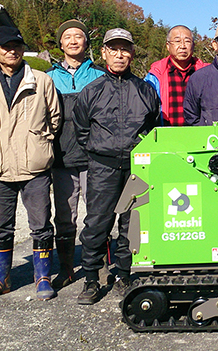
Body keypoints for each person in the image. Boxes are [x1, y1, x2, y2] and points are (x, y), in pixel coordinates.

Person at [73, 28, 159, 305]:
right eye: (113, 49)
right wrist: (102, 151)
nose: (119, 54)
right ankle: (90, 277)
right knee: (97, 222)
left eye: (124, 49)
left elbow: (155, 127)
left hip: (137, 168)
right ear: (103, 53)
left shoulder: (145, 90)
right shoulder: (92, 91)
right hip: (102, 166)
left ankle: (124, 274)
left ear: (132, 54)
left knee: (131, 223)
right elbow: (81, 130)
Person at [0, 26, 61, 301]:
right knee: (1, 226)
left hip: (34, 165)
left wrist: (40, 142)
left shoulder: (41, 80)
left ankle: (43, 276)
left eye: (17, 45)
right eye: (5, 46)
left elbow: (55, 118)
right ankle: (0, 277)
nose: (12, 50)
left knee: (41, 224)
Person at [47, 19, 104, 289]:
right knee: (64, 216)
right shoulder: (48, 77)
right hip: (62, 158)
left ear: (86, 42)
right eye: (67, 36)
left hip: (94, 156)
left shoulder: (99, 75)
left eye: (78, 36)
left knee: (97, 213)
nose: (73, 41)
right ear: (61, 44)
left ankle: (100, 267)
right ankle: (66, 268)